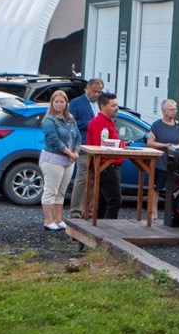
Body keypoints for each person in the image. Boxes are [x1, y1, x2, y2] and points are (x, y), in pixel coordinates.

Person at [39, 89, 81, 231]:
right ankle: (48, 220)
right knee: (51, 190)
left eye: (62, 102)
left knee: (61, 191)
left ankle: (58, 219)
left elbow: (77, 137)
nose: (59, 104)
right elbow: (54, 140)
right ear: (52, 103)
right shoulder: (49, 120)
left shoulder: (70, 119)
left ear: (66, 103)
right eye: (56, 101)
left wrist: (76, 151)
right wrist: (69, 153)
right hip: (53, 159)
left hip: (68, 161)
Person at [67, 78, 104, 218]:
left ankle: (89, 211)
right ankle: (76, 210)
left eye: (99, 92)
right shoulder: (76, 102)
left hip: (99, 147)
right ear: (87, 89)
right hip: (83, 146)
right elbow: (71, 123)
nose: (96, 94)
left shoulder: (101, 103)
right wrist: (91, 124)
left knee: (94, 179)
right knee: (82, 178)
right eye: (94, 91)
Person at [86, 92, 125, 219]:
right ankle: (108, 227)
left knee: (102, 202)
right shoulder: (99, 122)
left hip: (110, 165)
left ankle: (100, 226)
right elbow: (101, 145)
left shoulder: (108, 122)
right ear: (103, 107)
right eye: (113, 105)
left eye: (117, 105)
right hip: (106, 165)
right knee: (114, 201)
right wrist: (121, 144)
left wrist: (121, 144)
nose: (116, 108)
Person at [144, 98, 179, 193]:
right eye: (171, 109)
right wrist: (165, 145)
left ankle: (171, 203)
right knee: (156, 189)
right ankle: (154, 203)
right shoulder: (156, 125)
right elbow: (150, 143)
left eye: (175, 109)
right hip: (160, 164)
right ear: (164, 111)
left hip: (176, 164)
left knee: (175, 190)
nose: (174, 111)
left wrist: (176, 147)